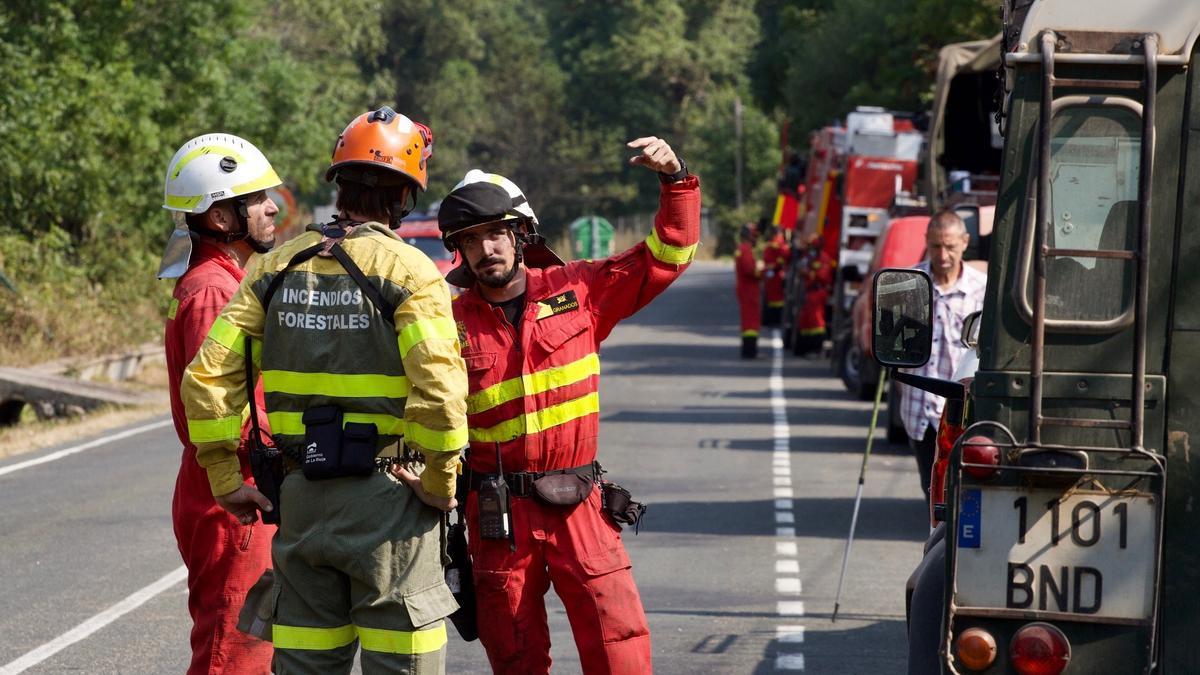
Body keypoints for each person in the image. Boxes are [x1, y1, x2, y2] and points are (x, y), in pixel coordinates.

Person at [182, 106, 466, 674]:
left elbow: (207, 379)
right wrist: (439, 483)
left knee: (306, 663)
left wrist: (223, 477)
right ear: (405, 195)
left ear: (339, 184)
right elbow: (439, 395)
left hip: (302, 501)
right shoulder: (413, 272)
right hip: (392, 504)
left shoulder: (274, 269)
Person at [438, 135, 700, 675]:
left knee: (619, 646)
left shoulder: (579, 289)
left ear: (520, 234)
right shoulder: (446, 321)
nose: (486, 249)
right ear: (459, 252)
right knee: (514, 656)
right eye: (471, 239)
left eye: (495, 233)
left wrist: (675, 178)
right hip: (496, 518)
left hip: (579, 505)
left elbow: (666, 255)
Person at [159, 133, 281, 675]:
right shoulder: (213, 291)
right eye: (256, 199)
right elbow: (219, 409)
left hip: (236, 488)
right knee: (232, 653)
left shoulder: (228, 280)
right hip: (231, 493)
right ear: (220, 217)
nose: (272, 206)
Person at [898, 210, 985, 500]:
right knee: (932, 491)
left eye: (949, 246)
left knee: (964, 493)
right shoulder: (908, 284)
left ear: (965, 242)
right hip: (920, 410)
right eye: (936, 246)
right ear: (926, 242)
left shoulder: (982, 289)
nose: (943, 254)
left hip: (962, 410)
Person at [795, 234, 835, 357]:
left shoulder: (824, 258)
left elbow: (822, 276)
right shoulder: (809, 258)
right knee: (805, 321)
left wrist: (808, 273)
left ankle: (817, 349)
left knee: (816, 321)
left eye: (813, 247)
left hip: (818, 292)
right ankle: (804, 349)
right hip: (809, 293)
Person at [735, 221, 762, 358]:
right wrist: (762, 271)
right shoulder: (745, 249)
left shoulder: (743, 249)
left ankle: (750, 350)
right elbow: (749, 270)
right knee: (750, 321)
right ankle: (750, 351)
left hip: (747, 289)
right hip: (749, 290)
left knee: (750, 320)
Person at [762, 225, 790, 327]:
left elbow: (784, 255)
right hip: (774, 274)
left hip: (776, 274)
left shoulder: (776, 243)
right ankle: (774, 319)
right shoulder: (777, 243)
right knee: (774, 298)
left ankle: (774, 319)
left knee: (775, 299)